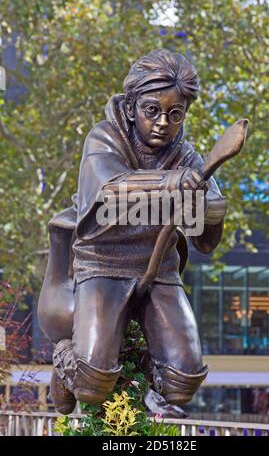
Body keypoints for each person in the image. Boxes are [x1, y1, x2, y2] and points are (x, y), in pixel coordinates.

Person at [38, 49, 228, 414]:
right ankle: (67, 362)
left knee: (182, 381)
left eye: (175, 114)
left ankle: (142, 370)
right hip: (102, 262)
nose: (163, 123)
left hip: (159, 268)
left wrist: (211, 209)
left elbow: (205, 240)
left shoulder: (186, 156)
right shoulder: (104, 138)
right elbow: (110, 190)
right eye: (152, 110)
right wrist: (173, 184)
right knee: (92, 383)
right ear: (130, 107)